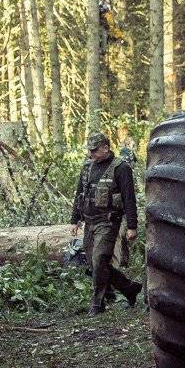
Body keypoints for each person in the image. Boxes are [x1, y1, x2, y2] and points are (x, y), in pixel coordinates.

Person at [71, 132, 142, 314]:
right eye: (89, 150)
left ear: (105, 147)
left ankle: (97, 304)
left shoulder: (121, 168)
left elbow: (129, 199)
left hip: (108, 222)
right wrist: (75, 219)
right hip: (89, 222)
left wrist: (132, 226)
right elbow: (80, 193)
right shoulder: (87, 167)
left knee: (99, 259)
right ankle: (129, 288)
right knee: (95, 264)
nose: (90, 154)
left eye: (94, 150)